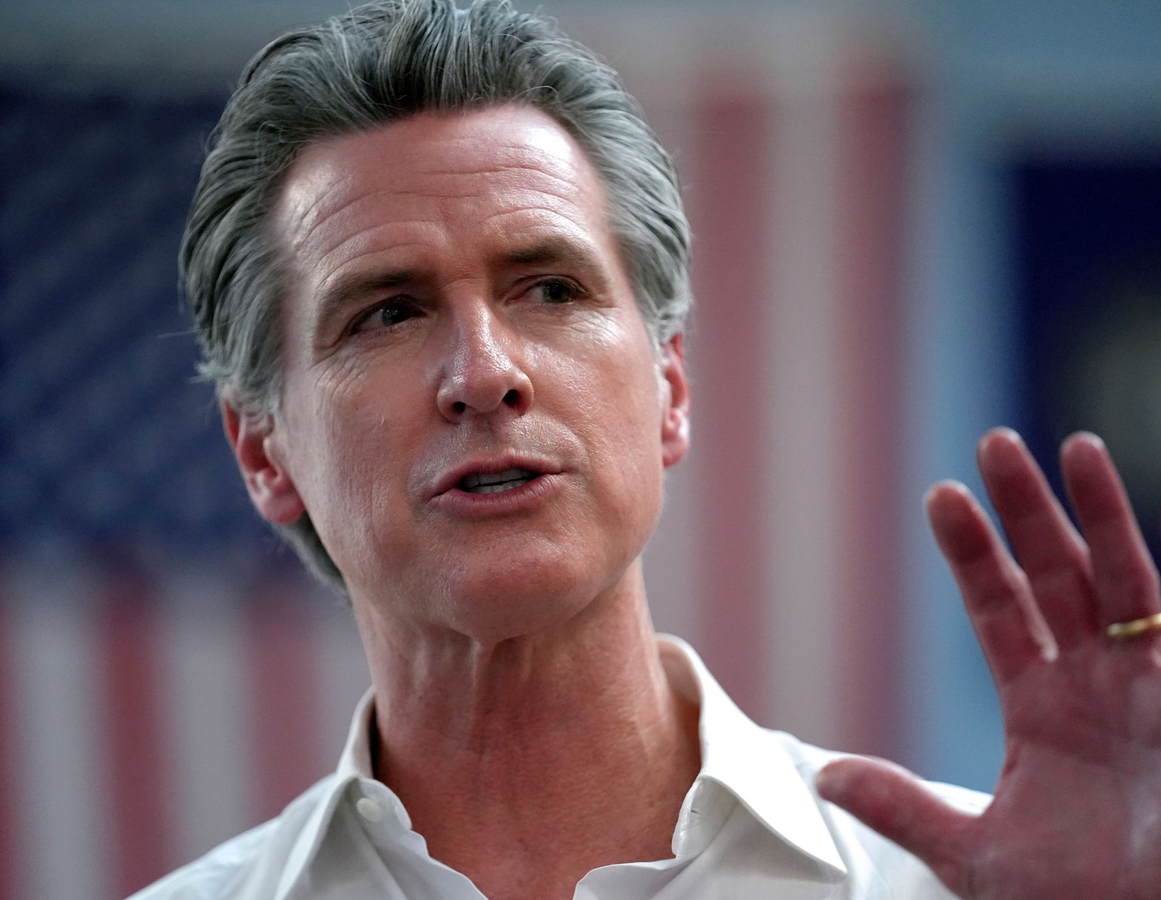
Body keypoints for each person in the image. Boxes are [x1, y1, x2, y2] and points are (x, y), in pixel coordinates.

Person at [133, 1, 1161, 897]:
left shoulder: (979, 885)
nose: (485, 372)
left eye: (551, 289)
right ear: (263, 452)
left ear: (669, 388)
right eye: (387, 313)